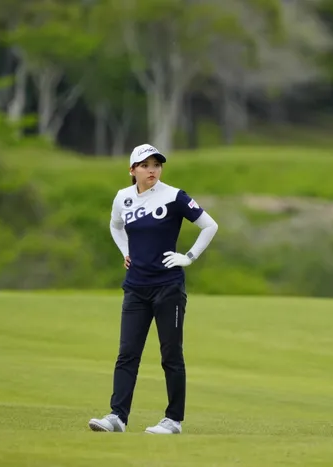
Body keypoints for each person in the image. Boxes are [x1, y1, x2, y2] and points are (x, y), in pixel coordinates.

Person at [88, 143, 219, 435]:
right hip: (136, 288)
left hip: (168, 287)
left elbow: (209, 226)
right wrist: (126, 252)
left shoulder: (174, 196)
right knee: (127, 354)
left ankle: (173, 420)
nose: (152, 170)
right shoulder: (122, 198)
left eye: (156, 165)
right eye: (145, 165)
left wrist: (189, 257)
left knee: (171, 354)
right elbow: (115, 226)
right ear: (132, 170)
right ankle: (117, 417)